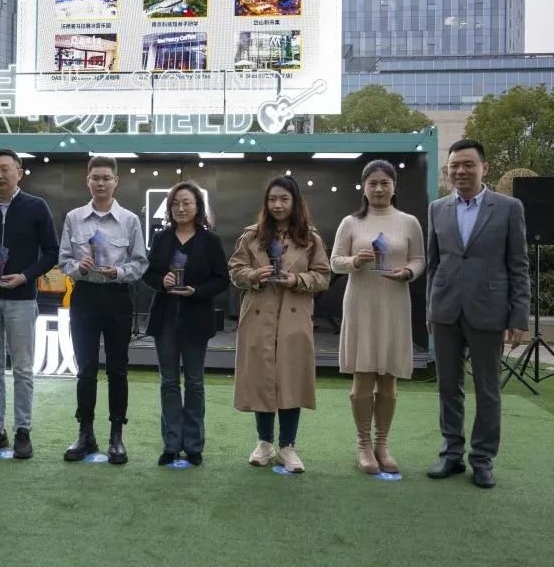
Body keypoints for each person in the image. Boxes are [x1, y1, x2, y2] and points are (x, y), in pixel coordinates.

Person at [427, 139, 530, 488]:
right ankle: (451, 454)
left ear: (484, 167)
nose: (460, 171)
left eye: (468, 164)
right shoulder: (437, 208)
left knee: (488, 389)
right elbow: (433, 264)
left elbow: (518, 265)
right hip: (445, 311)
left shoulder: (509, 208)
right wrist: (431, 307)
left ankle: (482, 459)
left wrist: (519, 317)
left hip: (489, 311)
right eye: (454, 165)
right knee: (447, 387)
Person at [228, 175, 330, 473]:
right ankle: (264, 442)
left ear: (295, 202)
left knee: (291, 378)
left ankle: (288, 446)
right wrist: (252, 275)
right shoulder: (251, 236)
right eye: (272, 199)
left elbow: (323, 276)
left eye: (284, 199)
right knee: (261, 378)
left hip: (294, 317)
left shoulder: (311, 239)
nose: (278, 205)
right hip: (259, 314)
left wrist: (298, 279)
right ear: (266, 203)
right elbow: (235, 269)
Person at [330, 160, 425, 474]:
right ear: (364, 187)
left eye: (385, 182)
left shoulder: (409, 221)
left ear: (394, 186)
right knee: (362, 379)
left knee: (388, 380)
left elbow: (419, 259)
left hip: (394, 302)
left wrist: (409, 271)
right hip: (360, 303)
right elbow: (334, 262)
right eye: (373, 183)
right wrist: (356, 260)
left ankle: (382, 443)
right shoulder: (351, 223)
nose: (379, 188)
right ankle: (363, 445)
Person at [0, 149, 59, 460]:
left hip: (21, 298)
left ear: (20, 172)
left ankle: (22, 430)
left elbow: (51, 253)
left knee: (22, 368)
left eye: (5, 169)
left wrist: (27, 276)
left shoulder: (36, 207)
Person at [58, 156, 148, 465]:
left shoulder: (130, 220)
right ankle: (85, 433)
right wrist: (78, 268)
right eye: (95, 177)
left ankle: (116, 436)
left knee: (117, 369)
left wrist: (119, 272)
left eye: (106, 178)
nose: (100, 182)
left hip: (117, 297)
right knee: (85, 369)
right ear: (87, 180)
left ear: (115, 182)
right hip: (84, 296)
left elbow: (140, 263)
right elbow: (63, 261)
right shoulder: (73, 218)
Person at [142, 181, 229, 466]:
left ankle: (193, 446)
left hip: (196, 319)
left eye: (186, 203)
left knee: (194, 382)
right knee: (168, 382)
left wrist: (197, 291)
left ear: (197, 207)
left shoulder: (211, 241)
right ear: (169, 208)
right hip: (165, 319)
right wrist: (162, 281)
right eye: (176, 203)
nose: (181, 208)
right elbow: (148, 274)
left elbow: (221, 279)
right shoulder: (162, 238)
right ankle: (170, 444)